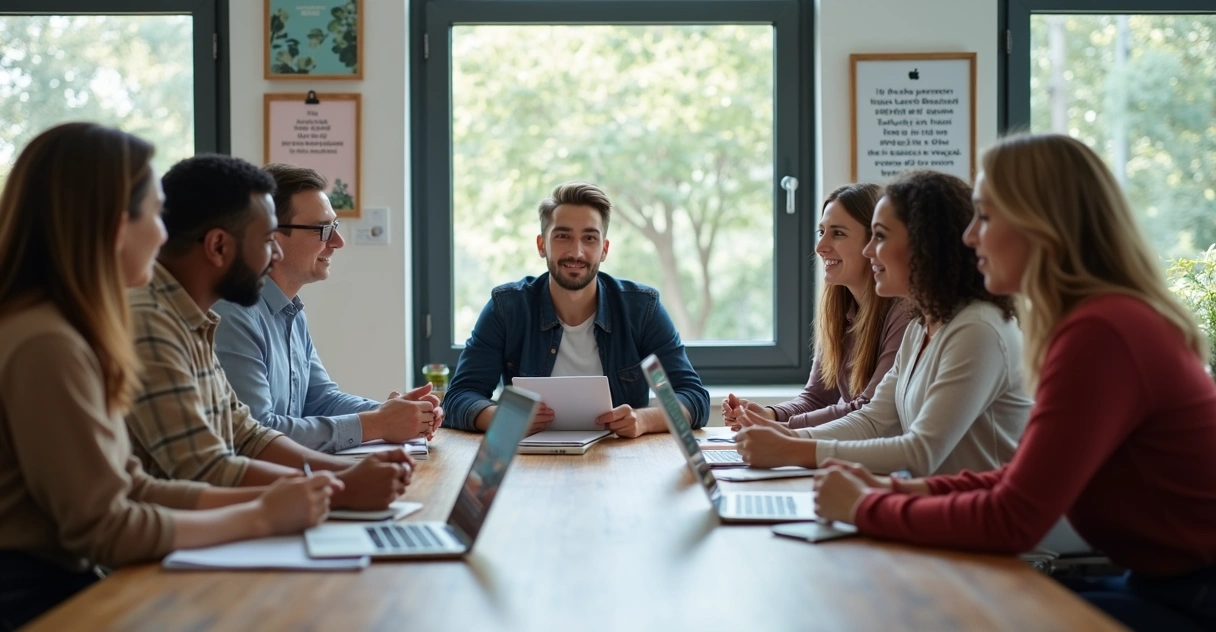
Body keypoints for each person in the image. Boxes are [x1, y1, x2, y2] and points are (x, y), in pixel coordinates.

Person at [814, 133, 1216, 632]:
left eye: (984, 217)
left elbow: (1014, 517)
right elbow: (1016, 477)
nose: (968, 238)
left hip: (1196, 595)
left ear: (1040, 226)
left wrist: (865, 505)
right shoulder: (1094, 322)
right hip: (1158, 583)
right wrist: (898, 490)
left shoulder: (1104, 333)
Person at [0, 123, 337, 632]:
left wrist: (293, 496)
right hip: (36, 602)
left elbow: (132, 486)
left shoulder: (67, 327)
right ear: (114, 226)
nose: (165, 235)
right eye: (155, 215)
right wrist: (262, 515)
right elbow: (107, 529)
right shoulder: (47, 341)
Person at [124, 154, 410, 511]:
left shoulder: (193, 320)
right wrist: (339, 486)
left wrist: (349, 471)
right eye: (265, 239)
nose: (273, 252)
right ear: (218, 247)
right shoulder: (155, 321)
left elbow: (247, 433)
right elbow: (204, 469)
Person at [736, 171, 1031, 476]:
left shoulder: (977, 329)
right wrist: (788, 437)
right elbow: (873, 420)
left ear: (924, 243)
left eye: (880, 236)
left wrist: (791, 447)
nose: (868, 250)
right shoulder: (921, 327)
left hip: (981, 518)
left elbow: (920, 451)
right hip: (935, 507)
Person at [442, 181, 709, 437]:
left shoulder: (642, 309)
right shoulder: (507, 308)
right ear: (541, 245)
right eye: (562, 236)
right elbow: (459, 397)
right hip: (528, 462)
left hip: (620, 461)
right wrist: (504, 419)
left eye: (590, 238)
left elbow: (693, 398)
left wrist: (643, 420)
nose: (577, 252)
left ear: (604, 249)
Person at [213, 163, 442, 454]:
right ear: (271, 236)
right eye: (323, 229)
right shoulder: (233, 315)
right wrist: (379, 423)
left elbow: (321, 399)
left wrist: (399, 413)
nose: (338, 241)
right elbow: (257, 433)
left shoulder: (290, 311)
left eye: (334, 226)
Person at [723, 183, 911, 430]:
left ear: (874, 242)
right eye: (821, 232)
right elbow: (817, 397)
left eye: (838, 233)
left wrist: (781, 428)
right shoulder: (840, 312)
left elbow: (869, 409)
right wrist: (770, 415)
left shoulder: (904, 313)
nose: (820, 247)